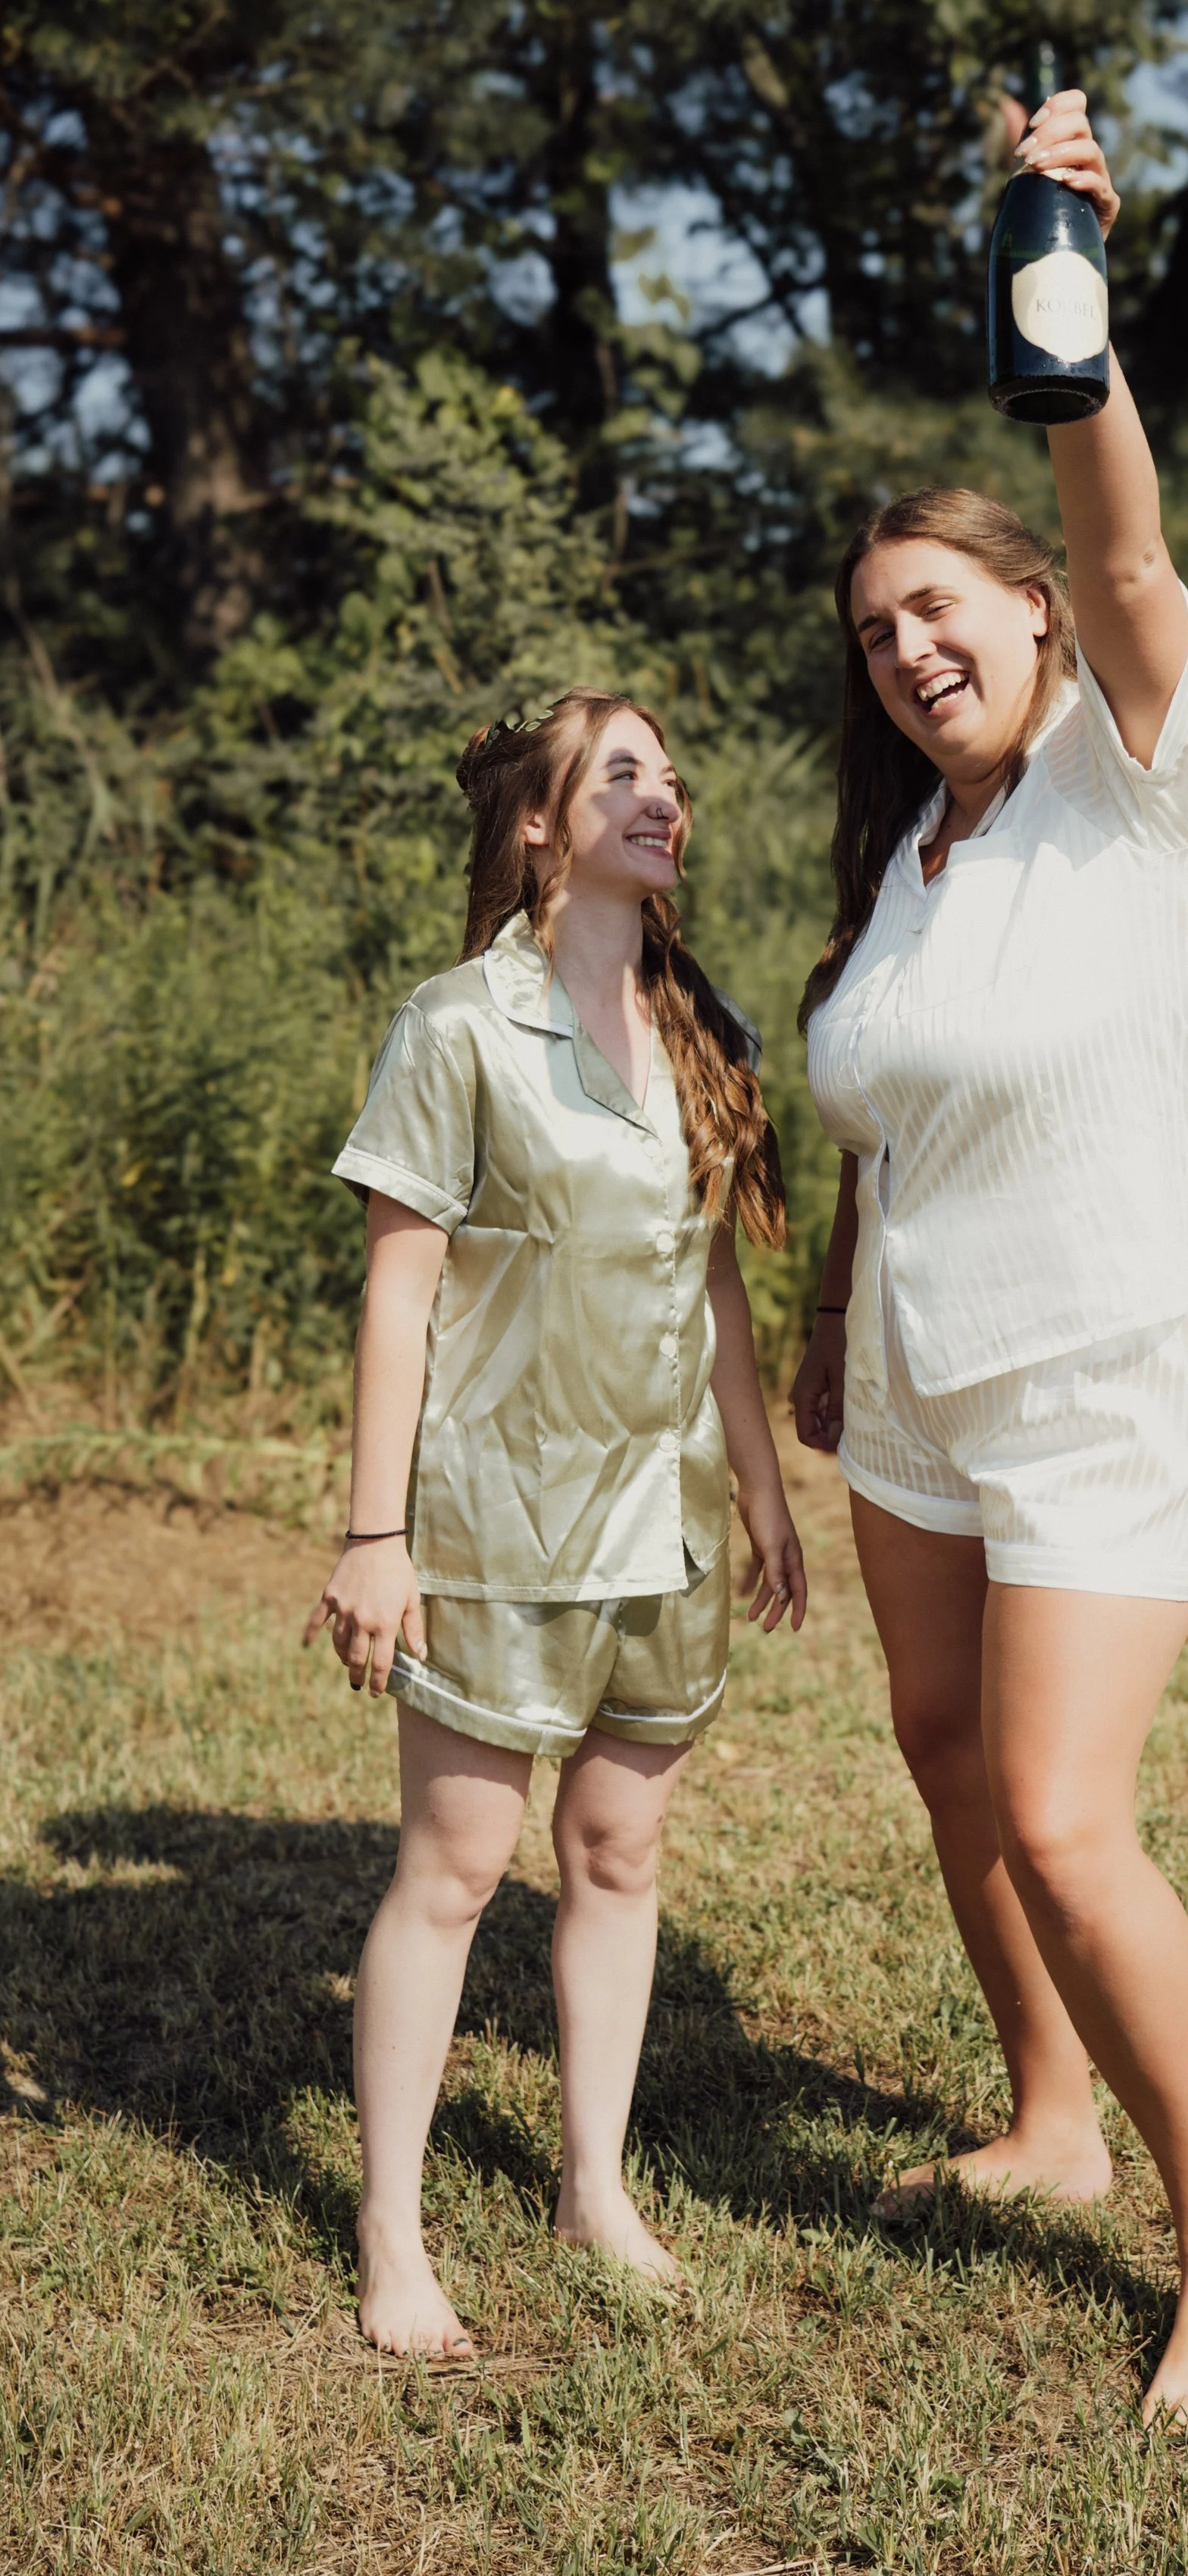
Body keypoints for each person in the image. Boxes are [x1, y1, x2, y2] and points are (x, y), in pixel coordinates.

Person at [790, 89, 1188, 2422]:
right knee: (940, 1746)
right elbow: (875, 1122)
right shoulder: (924, 857)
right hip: (913, 1375)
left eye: (938, 609)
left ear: (1031, 621)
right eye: (876, 629)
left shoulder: (1143, 768)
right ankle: (1051, 2111)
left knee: (1068, 1810)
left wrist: (1052, 257)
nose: (905, 649)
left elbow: (1124, 526)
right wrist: (821, 1347)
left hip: (1105, 1347)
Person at [306, 690, 806, 2358]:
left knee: (617, 1853)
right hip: (495, 1516)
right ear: (537, 823)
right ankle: (392, 2231)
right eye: (621, 775)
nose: (663, 797)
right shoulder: (454, 1026)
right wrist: (374, 1536)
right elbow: (398, 1295)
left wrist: (756, 1481)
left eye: (670, 773)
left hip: (659, 1525)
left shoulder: (698, 1022)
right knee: (455, 1871)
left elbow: (713, 1278)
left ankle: (594, 2185)